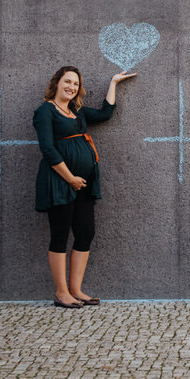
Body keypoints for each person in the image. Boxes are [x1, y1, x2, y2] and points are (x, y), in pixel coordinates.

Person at [34, 66, 134, 308]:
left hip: (84, 184)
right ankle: (61, 292)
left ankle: (76, 289)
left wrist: (113, 83)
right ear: (56, 83)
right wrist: (70, 178)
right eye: (67, 82)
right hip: (60, 181)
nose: (71, 87)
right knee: (60, 235)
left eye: (76, 84)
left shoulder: (76, 112)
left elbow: (105, 114)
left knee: (85, 232)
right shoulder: (45, 111)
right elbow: (47, 149)